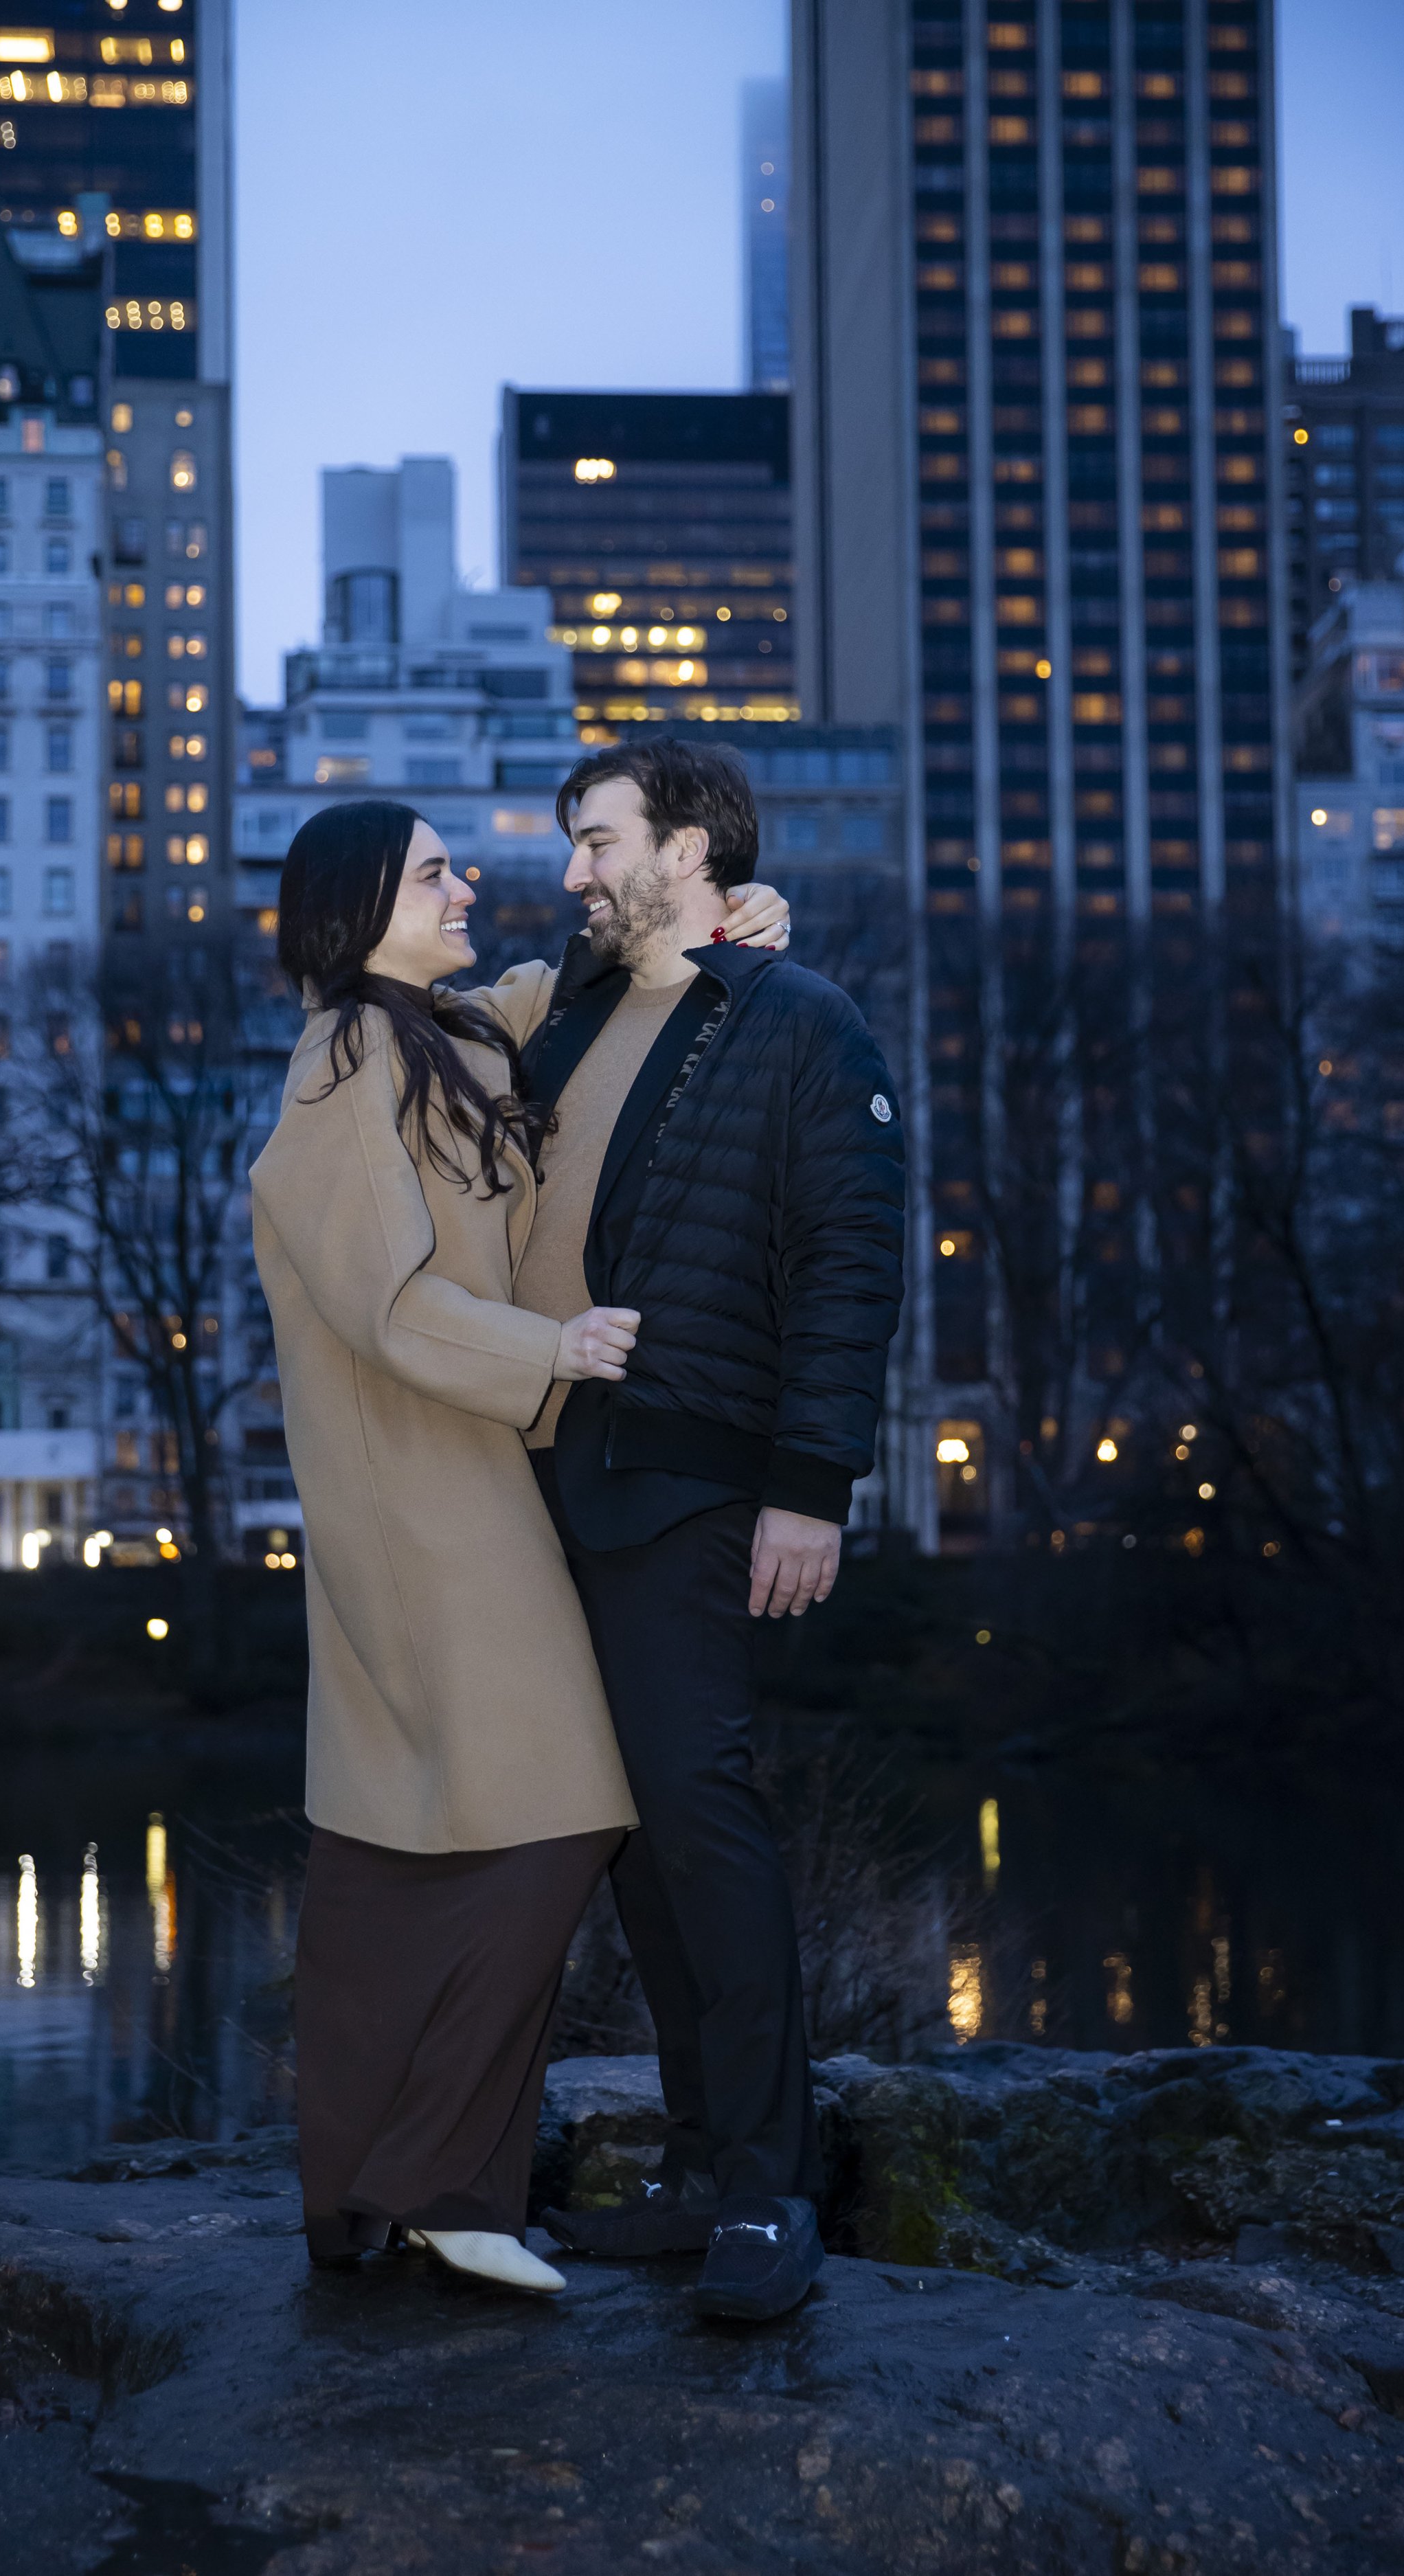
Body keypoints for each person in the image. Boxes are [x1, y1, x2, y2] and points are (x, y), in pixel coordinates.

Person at [249, 799, 789, 2300]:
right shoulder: (342, 1065)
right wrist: (552, 1349)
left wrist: (721, 921)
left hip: (464, 1474)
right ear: (359, 908)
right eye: (436, 871)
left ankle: (367, 2192)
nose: (468, 881)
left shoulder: (441, 1030)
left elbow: (563, 985)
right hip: (419, 1493)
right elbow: (386, 1302)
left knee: (387, 1846)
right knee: (567, 1809)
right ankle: (434, 2180)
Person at [520, 739, 905, 2323]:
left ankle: (765, 2189)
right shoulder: (566, 1020)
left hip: (693, 1477)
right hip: (544, 1479)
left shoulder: (797, 1021)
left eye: (596, 840)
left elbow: (846, 1262)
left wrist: (810, 1485)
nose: (572, 872)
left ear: (686, 846)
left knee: (702, 1814)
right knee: (628, 1838)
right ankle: (695, 2173)